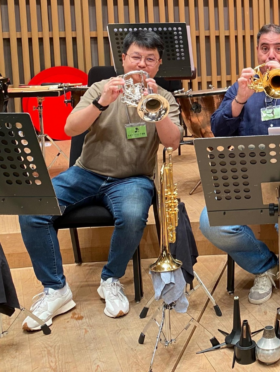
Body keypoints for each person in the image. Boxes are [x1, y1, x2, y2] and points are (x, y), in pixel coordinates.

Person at [19, 31, 183, 331]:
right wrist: (102, 102)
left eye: (150, 60)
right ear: (123, 60)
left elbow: (172, 143)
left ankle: (110, 279)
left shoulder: (165, 97)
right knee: (32, 208)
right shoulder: (99, 87)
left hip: (133, 179)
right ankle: (56, 289)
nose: (142, 64)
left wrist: (156, 105)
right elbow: (70, 128)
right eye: (136, 57)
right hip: (86, 173)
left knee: (134, 216)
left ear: (158, 65)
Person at [200, 23, 280, 305]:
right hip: (248, 179)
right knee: (210, 223)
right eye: (264, 48)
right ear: (257, 52)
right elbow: (218, 129)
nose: (271, 55)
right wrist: (239, 100)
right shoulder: (242, 87)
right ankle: (266, 267)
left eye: (278, 49)